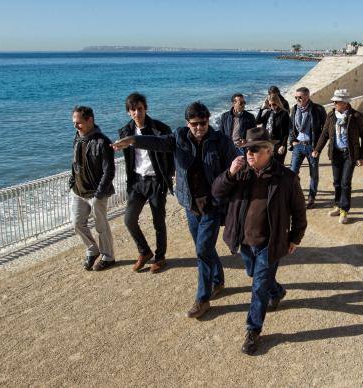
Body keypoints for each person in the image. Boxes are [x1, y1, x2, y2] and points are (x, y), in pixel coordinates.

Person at [112, 102, 237, 319]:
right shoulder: (179, 137)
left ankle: (202, 298)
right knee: (204, 247)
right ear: (187, 123)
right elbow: (158, 142)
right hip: (190, 204)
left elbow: (234, 165)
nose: (199, 128)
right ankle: (218, 280)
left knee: (202, 250)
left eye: (203, 123)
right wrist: (132, 141)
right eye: (195, 124)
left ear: (208, 120)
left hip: (212, 205)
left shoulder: (220, 141)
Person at [212, 127, 307, 355]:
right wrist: (229, 174)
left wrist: (295, 237)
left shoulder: (286, 178)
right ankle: (277, 292)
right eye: (246, 150)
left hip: (270, 242)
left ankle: (253, 330)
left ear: (268, 151)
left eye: (254, 150)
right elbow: (216, 192)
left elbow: (299, 211)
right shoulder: (241, 172)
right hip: (243, 240)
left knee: (258, 285)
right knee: (254, 275)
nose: (249, 154)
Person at [118, 92, 175, 273]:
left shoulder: (160, 129)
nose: (137, 113)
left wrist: (170, 176)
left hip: (156, 181)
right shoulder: (125, 132)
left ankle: (160, 257)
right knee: (129, 219)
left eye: (140, 109)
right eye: (133, 110)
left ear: (146, 108)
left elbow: (171, 153)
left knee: (159, 221)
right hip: (137, 181)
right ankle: (144, 252)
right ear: (129, 112)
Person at [311, 89, 363, 225]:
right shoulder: (331, 115)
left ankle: (344, 210)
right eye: (334, 101)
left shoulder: (356, 116)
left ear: (344, 103)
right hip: (335, 153)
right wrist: (317, 149)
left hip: (350, 154)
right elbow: (325, 133)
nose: (333, 103)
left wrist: (362, 157)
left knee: (345, 182)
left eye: (336, 101)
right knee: (337, 182)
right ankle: (337, 205)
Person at [69, 106, 116, 271]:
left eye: (79, 123)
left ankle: (108, 257)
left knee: (101, 226)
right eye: (74, 122)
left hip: (97, 193)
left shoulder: (103, 142)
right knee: (76, 223)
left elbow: (109, 171)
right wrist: (72, 181)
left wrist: (98, 194)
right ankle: (92, 250)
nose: (75, 126)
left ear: (90, 120)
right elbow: (75, 162)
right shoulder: (77, 138)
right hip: (78, 191)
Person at [288, 86, 326, 209]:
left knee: (313, 174)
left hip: (312, 147)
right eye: (296, 97)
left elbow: (325, 131)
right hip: (298, 146)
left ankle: (311, 198)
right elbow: (291, 127)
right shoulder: (294, 109)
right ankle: (296, 195)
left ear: (307, 96)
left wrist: (318, 148)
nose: (298, 99)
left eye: (300, 97)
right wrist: (292, 140)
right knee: (292, 173)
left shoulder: (318, 109)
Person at [255, 94, 291, 165]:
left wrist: (283, 145)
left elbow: (286, 132)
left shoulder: (284, 114)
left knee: (278, 167)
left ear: (278, 103)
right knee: (267, 166)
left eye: (274, 104)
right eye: (270, 105)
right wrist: (262, 108)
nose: (272, 107)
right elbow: (257, 121)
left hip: (278, 144)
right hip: (267, 144)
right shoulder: (268, 112)